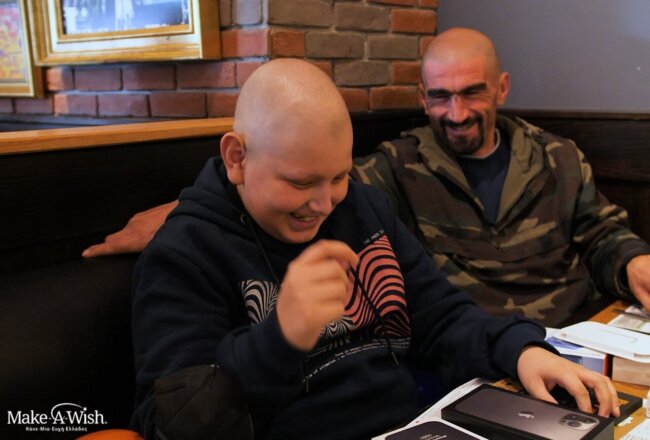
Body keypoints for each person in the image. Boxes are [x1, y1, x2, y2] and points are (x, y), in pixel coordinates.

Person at [130, 59, 618, 439]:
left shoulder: (362, 207)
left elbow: (438, 314)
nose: (323, 205)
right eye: (300, 183)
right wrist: (281, 337)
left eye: (338, 176)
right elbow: (175, 425)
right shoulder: (185, 252)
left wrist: (519, 351)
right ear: (237, 158)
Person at [83, 28, 650, 327]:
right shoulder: (397, 165)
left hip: (575, 331)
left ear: (500, 88)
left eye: (472, 92)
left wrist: (633, 261)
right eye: (440, 96)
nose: (456, 112)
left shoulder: (558, 156)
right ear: (422, 97)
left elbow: (602, 231)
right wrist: (188, 211)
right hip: (472, 351)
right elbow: (304, 182)